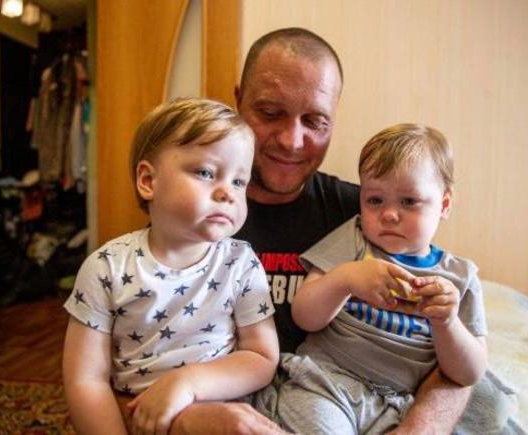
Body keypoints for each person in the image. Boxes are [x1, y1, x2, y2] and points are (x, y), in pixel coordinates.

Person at [173, 28, 474, 435]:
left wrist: (417, 429)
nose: (291, 141)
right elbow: (124, 357)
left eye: (314, 121)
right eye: (270, 113)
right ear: (238, 100)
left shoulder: (366, 216)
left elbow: (452, 363)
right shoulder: (189, 214)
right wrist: (187, 420)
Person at [62, 98, 279, 435]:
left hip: (224, 419)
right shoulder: (106, 268)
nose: (228, 193)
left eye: (239, 182)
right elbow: (85, 381)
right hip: (137, 420)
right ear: (148, 180)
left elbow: (262, 356)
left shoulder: (241, 263)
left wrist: (187, 382)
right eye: (206, 172)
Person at [274, 123, 489, 434]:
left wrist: (447, 322)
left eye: (408, 201)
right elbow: (305, 316)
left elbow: (469, 374)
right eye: (375, 200)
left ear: (444, 204)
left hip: (398, 405)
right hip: (326, 384)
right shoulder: (354, 240)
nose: (388, 214)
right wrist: (345, 278)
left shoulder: (459, 277)